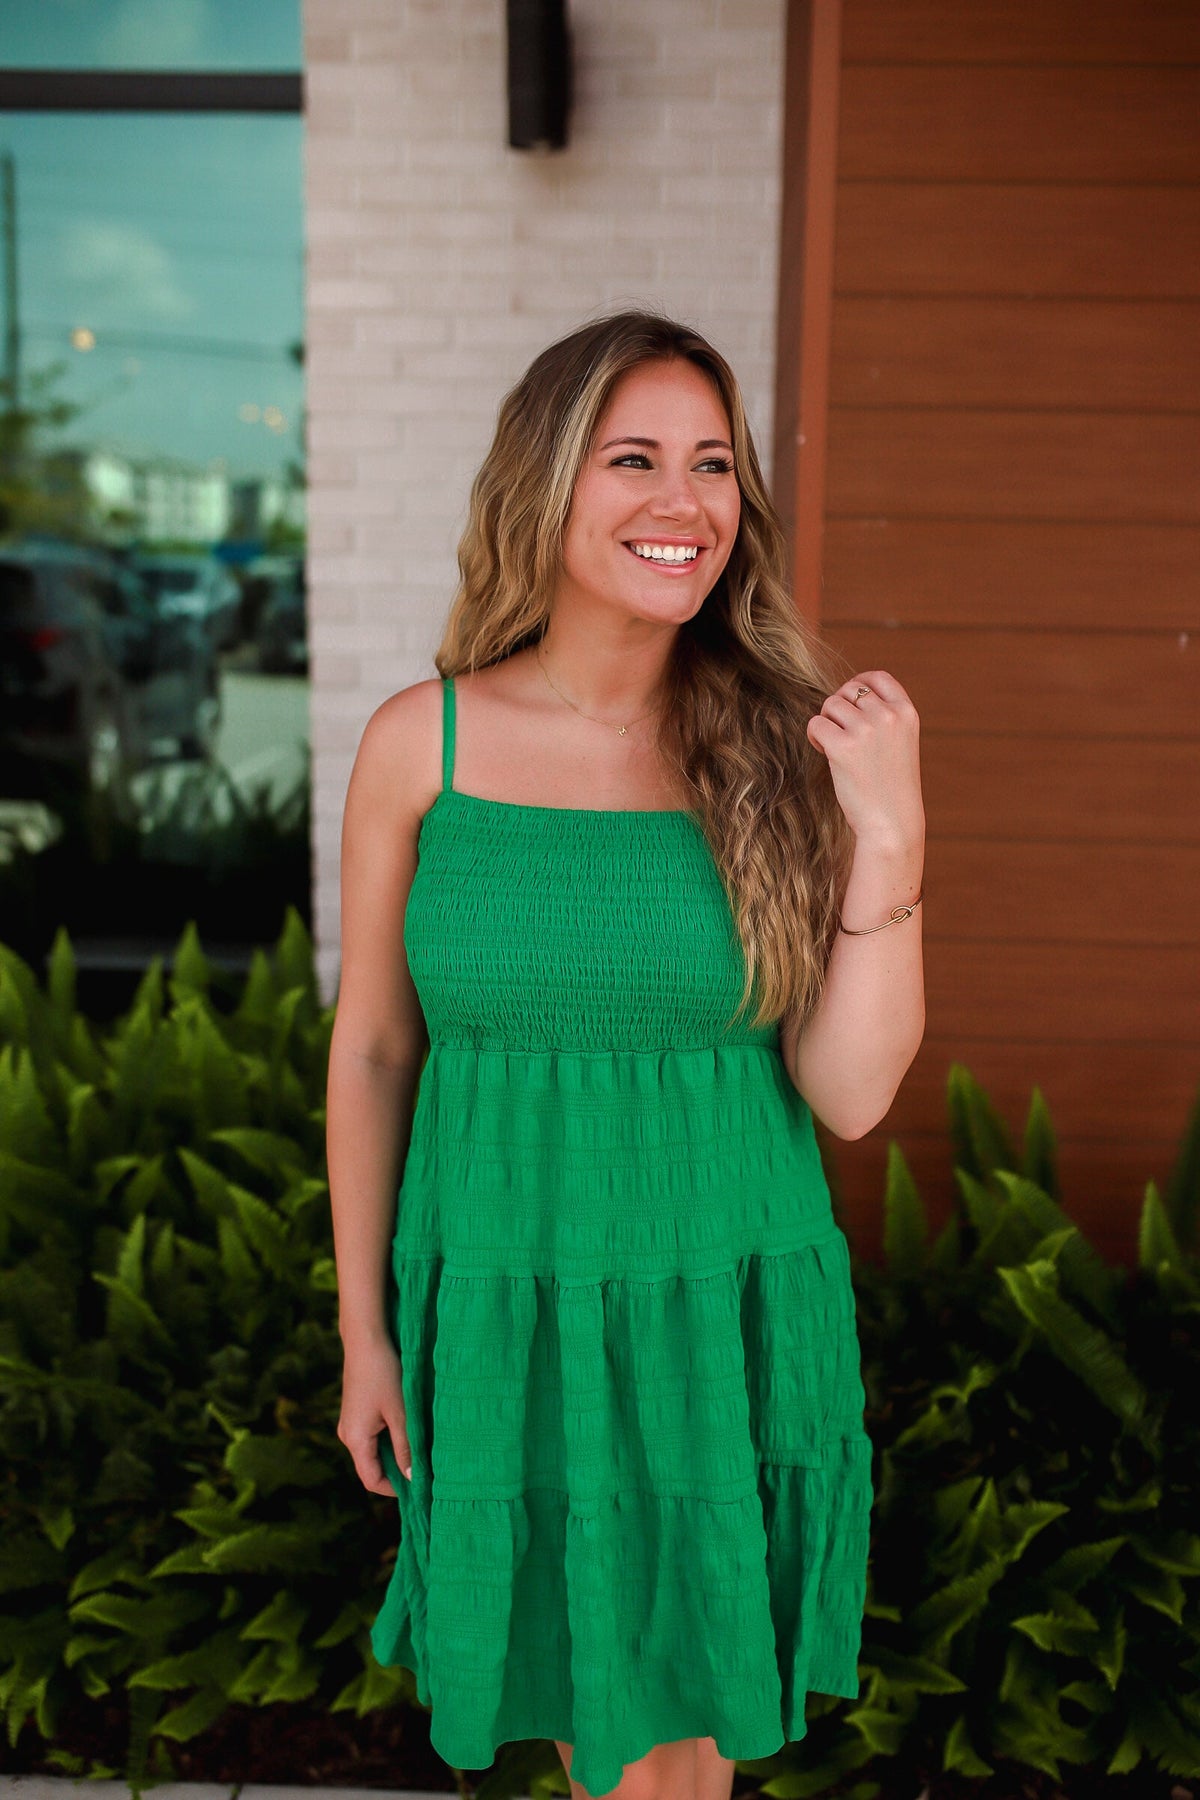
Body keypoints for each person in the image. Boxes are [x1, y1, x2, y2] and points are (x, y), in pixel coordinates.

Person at [326, 310, 925, 1800]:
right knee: (591, 1723)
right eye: (635, 458)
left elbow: (851, 1096)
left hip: (719, 1292)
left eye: (714, 464)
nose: (686, 501)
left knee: (674, 1754)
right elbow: (377, 1050)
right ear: (545, 484)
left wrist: (894, 834)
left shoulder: (786, 751)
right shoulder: (420, 745)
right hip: (509, 1295)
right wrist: (364, 1333)